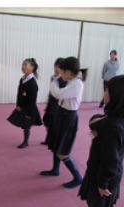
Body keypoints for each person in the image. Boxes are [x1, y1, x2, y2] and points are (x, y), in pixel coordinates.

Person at [71, 75, 124, 207]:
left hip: (104, 175)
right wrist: (96, 127)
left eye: (107, 90)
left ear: (116, 95)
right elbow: (95, 122)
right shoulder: (122, 118)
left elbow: (111, 160)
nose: (104, 92)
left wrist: (103, 183)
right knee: (93, 199)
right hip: (100, 169)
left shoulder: (111, 125)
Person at [40, 56, 85, 188]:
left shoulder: (77, 84)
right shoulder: (70, 81)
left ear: (69, 72)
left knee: (63, 151)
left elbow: (59, 94)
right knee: (56, 145)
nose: (61, 73)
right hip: (62, 113)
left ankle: (78, 178)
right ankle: (55, 170)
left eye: (63, 71)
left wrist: (54, 80)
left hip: (68, 118)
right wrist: (57, 79)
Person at [7, 58, 42, 148]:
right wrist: (18, 105)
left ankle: (26, 142)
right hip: (22, 106)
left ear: (32, 67)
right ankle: (26, 140)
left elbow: (32, 101)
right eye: (23, 64)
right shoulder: (22, 79)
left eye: (25, 65)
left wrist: (29, 114)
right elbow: (19, 93)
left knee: (26, 125)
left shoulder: (33, 83)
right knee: (23, 123)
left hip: (29, 108)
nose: (23, 67)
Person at [41, 58, 67, 144]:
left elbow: (61, 93)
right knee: (46, 122)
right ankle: (48, 138)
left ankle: (51, 140)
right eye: (55, 66)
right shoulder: (53, 77)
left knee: (54, 124)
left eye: (59, 67)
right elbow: (51, 90)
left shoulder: (64, 79)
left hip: (57, 105)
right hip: (51, 102)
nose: (56, 69)